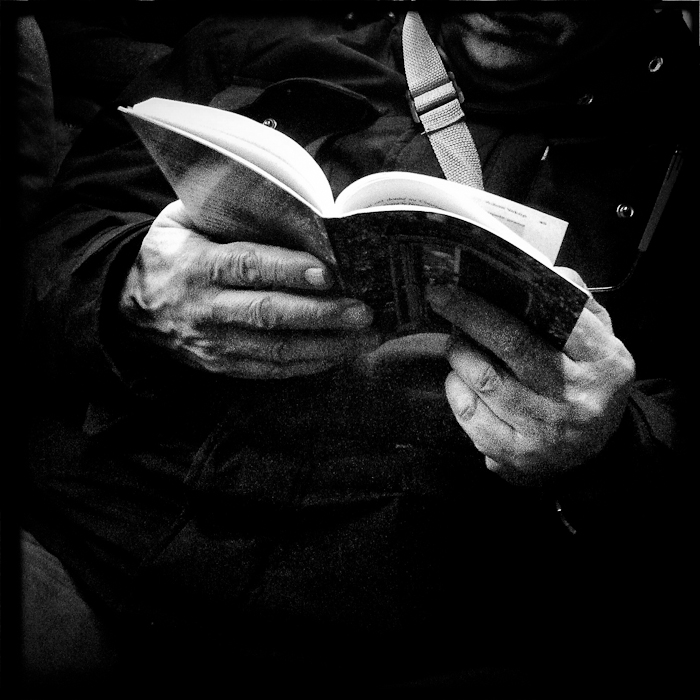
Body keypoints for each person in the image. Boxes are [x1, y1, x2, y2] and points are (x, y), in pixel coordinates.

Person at [18, 3, 696, 693]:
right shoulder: (259, 39)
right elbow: (45, 253)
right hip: (84, 547)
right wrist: (129, 288)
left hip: (407, 644)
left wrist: (607, 448)